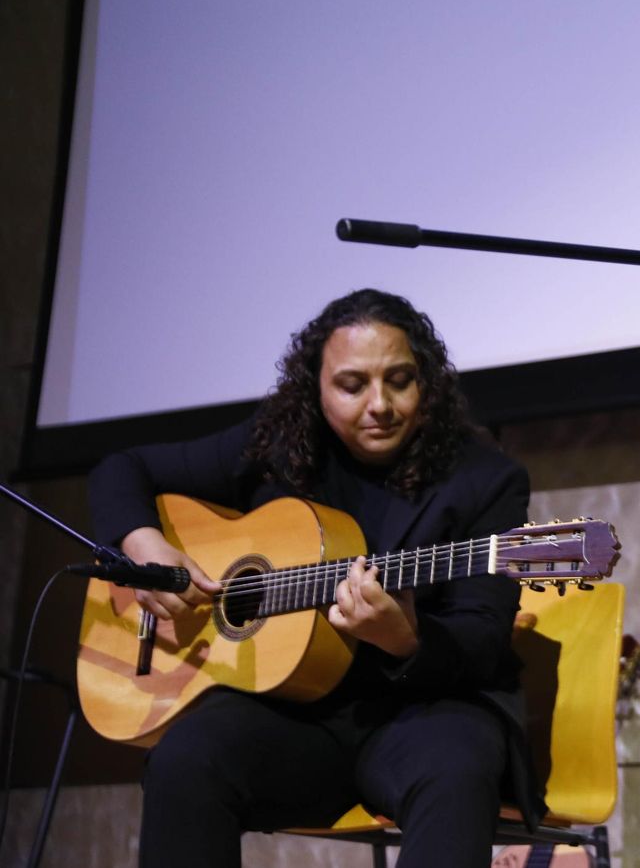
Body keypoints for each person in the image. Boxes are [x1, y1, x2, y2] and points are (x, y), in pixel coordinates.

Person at [90, 288, 542, 868]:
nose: (379, 404)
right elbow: (120, 470)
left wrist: (405, 639)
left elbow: (482, 638)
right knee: (187, 759)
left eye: (399, 380)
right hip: (296, 720)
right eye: (352, 385)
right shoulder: (276, 447)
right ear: (317, 389)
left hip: (425, 715)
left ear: (426, 381)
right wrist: (147, 548)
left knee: (456, 769)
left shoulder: (486, 479)